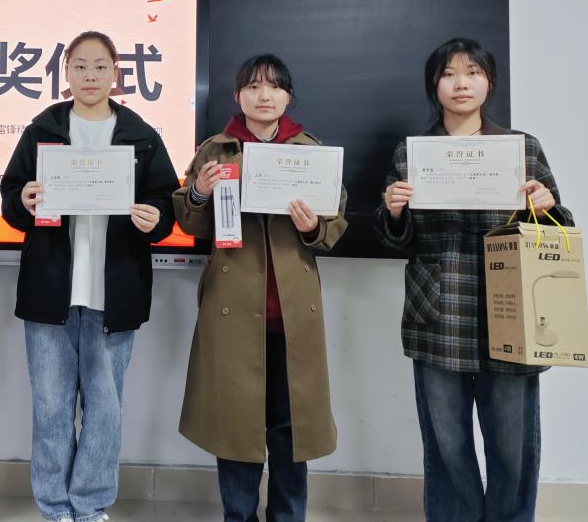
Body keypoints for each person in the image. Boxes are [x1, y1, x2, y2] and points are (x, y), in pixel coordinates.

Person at [374, 37, 574, 522]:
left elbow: (557, 233)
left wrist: (548, 206)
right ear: (434, 86)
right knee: (446, 444)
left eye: (473, 72)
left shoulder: (522, 147)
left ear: (489, 82)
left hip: (511, 310)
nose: (461, 83)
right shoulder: (412, 153)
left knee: (513, 444)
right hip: (438, 309)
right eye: (448, 74)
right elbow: (396, 239)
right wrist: (394, 211)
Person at [0, 30, 179, 522]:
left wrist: (156, 218)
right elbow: (11, 198)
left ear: (116, 73)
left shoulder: (142, 135)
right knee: (51, 409)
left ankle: (91, 504)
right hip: (50, 292)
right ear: (66, 73)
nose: (90, 76)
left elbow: (165, 204)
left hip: (114, 292)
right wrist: (24, 202)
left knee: (105, 410)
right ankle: (55, 507)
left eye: (100, 67)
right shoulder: (42, 130)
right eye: (79, 66)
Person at [174, 53, 347, 522]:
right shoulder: (216, 150)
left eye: (273, 86)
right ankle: (238, 516)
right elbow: (190, 222)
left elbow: (335, 225)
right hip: (231, 309)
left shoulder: (310, 152)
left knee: (292, 427)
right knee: (236, 425)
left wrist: (313, 226)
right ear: (238, 96)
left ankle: (288, 516)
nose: (263, 95)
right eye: (252, 86)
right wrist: (199, 193)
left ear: (288, 96)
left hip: (292, 314)